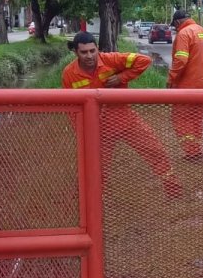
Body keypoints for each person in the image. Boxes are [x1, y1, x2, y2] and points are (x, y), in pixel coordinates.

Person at [61, 31, 182, 197]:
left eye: (92, 51)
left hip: (123, 118)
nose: (89, 56)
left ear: (97, 49)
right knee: (96, 166)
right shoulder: (69, 74)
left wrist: (121, 78)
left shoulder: (112, 60)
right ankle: (92, 199)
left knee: (154, 150)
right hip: (98, 128)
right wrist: (83, 132)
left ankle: (173, 188)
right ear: (75, 52)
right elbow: (71, 109)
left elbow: (144, 61)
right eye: (84, 52)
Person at [167, 10, 203, 160]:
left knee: (181, 119)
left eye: (174, 26)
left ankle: (191, 152)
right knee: (196, 120)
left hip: (188, 86)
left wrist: (172, 79)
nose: (175, 29)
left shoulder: (184, 33)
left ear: (178, 22)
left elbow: (180, 60)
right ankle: (197, 150)